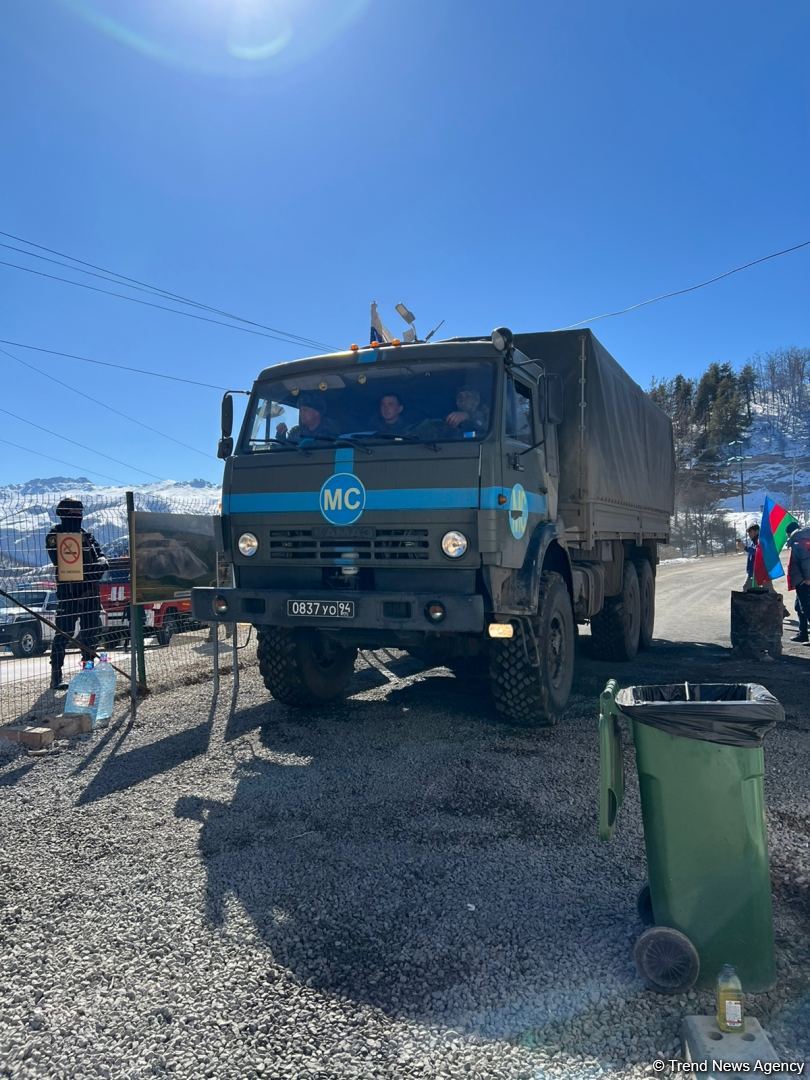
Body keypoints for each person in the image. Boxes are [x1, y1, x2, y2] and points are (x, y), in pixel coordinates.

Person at [46, 498, 108, 690]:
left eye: (79, 513)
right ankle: (56, 676)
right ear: (64, 514)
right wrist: (91, 569)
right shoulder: (55, 535)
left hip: (90, 594)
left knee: (91, 634)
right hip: (69, 594)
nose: (77, 517)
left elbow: (102, 557)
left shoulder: (86, 535)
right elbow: (62, 561)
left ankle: (87, 672)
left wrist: (98, 565)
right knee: (64, 634)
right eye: (73, 513)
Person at [786, 521, 810, 645]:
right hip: (801, 581)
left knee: (806, 608)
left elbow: (806, 561)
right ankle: (803, 633)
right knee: (799, 608)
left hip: (804, 581)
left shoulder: (798, 542)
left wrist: (807, 578)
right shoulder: (804, 539)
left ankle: (804, 634)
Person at [742, 523, 774, 592]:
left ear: (756, 531)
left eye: (751, 532)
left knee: (747, 589)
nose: (749, 534)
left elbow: (758, 553)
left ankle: (777, 602)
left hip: (760, 571)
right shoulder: (753, 542)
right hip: (755, 572)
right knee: (768, 591)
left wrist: (745, 548)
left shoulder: (761, 541)